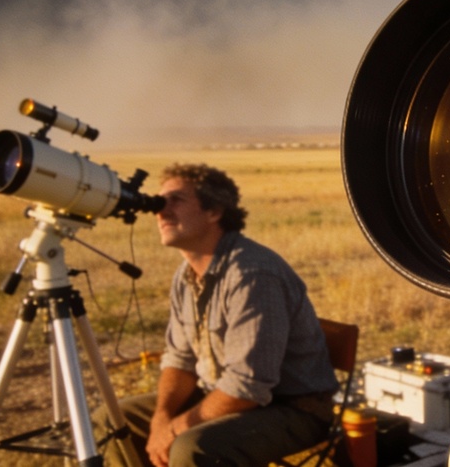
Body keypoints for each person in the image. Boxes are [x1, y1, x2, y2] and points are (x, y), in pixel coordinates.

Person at [103, 163, 338, 467]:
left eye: (176, 200)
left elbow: (248, 386)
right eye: (161, 202)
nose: (161, 211)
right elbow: (180, 360)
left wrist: (174, 428)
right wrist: (161, 417)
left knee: (193, 448)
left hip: (292, 409)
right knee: (114, 420)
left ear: (214, 212)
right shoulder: (185, 276)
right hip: (222, 397)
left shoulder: (252, 274)